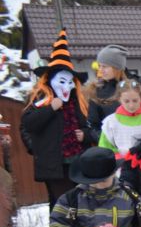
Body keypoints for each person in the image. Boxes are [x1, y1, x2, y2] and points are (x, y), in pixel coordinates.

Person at [20, 28, 92, 206]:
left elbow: (89, 125)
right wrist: (50, 108)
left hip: (77, 162)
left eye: (70, 82)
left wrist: (85, 134)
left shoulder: (77, 100)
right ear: (50, 80)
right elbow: (28, 124)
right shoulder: (40, 98)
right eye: (61, 81)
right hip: (53, 164)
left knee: (76, 203)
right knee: (63, 204)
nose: (67, 87)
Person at [86, 44, 141, 135]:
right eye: (99, 66)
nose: (100, 70)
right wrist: (110, 139)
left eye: (104, 66)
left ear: (117, 67)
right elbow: (93, 126)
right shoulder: (98, 91)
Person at [97, 79, 141, 156]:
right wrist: (120, 156)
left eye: (135, 101)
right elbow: (104, 149)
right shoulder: (110, 122)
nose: (131, 105)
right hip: (121, 162)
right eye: (126, 101)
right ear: (119, 99)